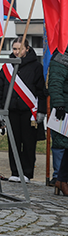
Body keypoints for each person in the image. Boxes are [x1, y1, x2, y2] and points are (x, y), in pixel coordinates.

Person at [0, 38, 45, 182]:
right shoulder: (6, 67)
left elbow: (41, 91)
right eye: (14, 49)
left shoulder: (36, 67)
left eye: (20, 49)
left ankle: (27, 173)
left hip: (29, 111)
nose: (17, 52)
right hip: (11, 110)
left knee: (28, 143)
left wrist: (41, 111)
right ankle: (15, 172)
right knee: (13, 142)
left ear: (27, 49)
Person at [48, 48, 68, 195]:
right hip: (65, 107)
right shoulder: (61, 56)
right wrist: (59, 104)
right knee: (63, 145)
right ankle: (61, 179)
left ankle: (62, 180)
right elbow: (55, 82)